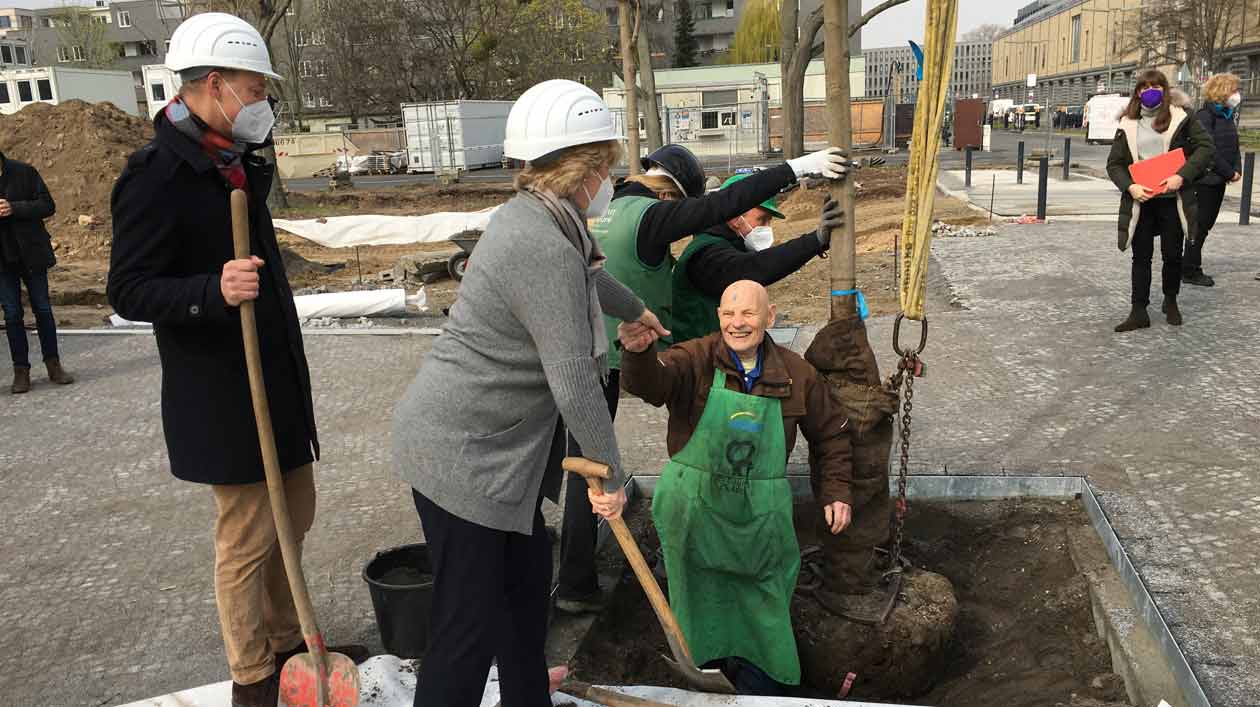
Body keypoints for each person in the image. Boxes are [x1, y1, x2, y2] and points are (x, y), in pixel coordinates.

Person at [107, 14, 365, 707]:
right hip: (222, 393)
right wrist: (210, 290)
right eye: (255, 89)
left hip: (274, 378)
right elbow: (126, 288)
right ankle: (252, 674)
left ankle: (288, 638)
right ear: (214, 85)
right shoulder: (155, 175)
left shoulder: (239, 158)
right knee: (247, 536)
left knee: (295, 513)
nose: (264, 104)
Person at [392, 79, 668, 707]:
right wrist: (612, 480)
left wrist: (638, 309)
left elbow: (591, 274)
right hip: (463, 459)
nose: (608, 177)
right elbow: (576, 382)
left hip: (488, 454)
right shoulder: (539, 241)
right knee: (467, 626)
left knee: (521, 595)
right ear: (591, 167)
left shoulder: (545, 216)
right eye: (607, 165)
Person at [556, 142, 850, 614]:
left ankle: (560, 576)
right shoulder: (652, 217)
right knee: (598, 467)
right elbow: (723, 209)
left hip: (569, 351)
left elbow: (598, 279)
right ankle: (579, 582)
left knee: (572, 463)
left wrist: (636, 314)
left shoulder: (600, 212)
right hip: (616, 359)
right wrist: (797, 169)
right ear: (674, 197)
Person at [618, 280, 852, 695]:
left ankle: (760, 686)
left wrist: (836, 492)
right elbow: (652, 385)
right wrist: (637, 356)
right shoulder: (695, 358)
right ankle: (706, 676)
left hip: (758, 519)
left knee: (764, 596)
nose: (737, 323)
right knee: (697, 596)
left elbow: (831, 433)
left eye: (748, 313)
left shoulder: (797, 374)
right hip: (695, 512)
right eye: (728, 313)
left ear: (770, 316)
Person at [670, 173, 844, 344]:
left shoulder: (730, 244)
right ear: (734, 217)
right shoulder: (705, 255)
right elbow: (756, 267)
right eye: (762, 220)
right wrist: (815, 240)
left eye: (769, 221)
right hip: (699, 362)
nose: (767, 228)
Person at [1107, 69, 1214, 333]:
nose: (1149, 91)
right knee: (1140, 256)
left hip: (1172, 198)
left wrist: (1182, 176)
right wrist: (1130, 186)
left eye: (1155, 86)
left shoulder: (1182, 119)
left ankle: (1170, 300)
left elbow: (1206, 148)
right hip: (1142, 199)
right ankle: (1138, 310)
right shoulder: (1127, 123)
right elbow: (1115, 164)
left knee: (1172, 254)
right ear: (1137, 92)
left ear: (1165, 90)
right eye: (1144, 87)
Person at [0, 151, 74, 394]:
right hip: (3, 261)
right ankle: (21, 371)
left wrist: (14, 208)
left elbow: (47, 205)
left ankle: (54, 365)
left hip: (31, 254)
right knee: (12, 314)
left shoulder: (24, 171)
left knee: (43, 309)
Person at [1184, 73, 1243, 288]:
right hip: (1206, 179)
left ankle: (1189, 265)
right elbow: (1209, 150)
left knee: (1204, 226)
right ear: (1222, 91)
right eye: (1234, 90)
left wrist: (1237, 169)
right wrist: (1229, 172)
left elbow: (1233, 146)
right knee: (1198, 226)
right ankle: (1190, 269)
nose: (1237, 95)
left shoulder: (1227, 115)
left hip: (1218, 179)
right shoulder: (1205, 116)